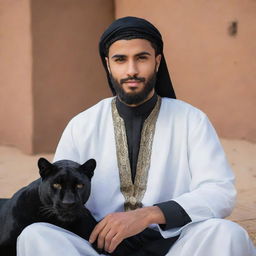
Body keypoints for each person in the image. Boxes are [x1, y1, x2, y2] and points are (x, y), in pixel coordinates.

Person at [17, 16, 255, 256]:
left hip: (173, 245)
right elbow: (58, 192)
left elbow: (220, 191)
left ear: (157, 61)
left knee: (227, 234)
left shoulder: (192, 121)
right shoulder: (82, 125)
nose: (131, 70)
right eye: (120, 60)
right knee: (35, 236)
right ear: (108, 64)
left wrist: (149, 214)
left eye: (141, 58)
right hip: (98, 248)